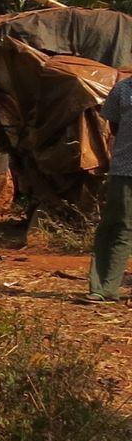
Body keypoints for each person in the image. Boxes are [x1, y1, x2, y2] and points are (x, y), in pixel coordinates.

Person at [89, 74, 132, 301]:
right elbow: (115, 127)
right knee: (117, 227)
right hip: (126, 169)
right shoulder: (123, 89)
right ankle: (104, 288)